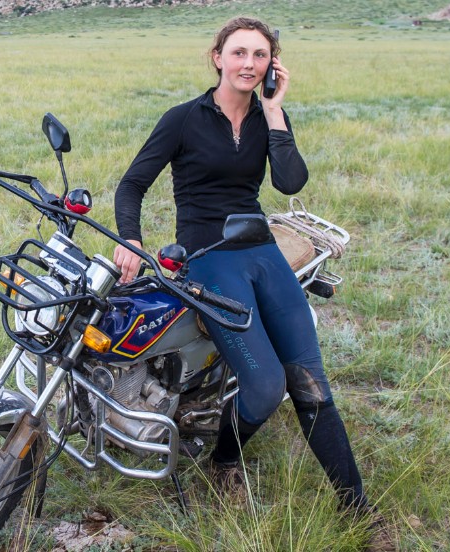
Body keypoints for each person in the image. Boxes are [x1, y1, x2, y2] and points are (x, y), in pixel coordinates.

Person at [112, 16, 385, 535]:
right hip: (206, 255)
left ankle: (358, 511)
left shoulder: (268, 118)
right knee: (262, 386)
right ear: (217, 57)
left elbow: (290, 181)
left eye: (259, 56)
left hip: (259, 249)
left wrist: (276, 109)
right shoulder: (183, 118)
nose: (248, 64)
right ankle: (223, 458)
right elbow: (131, 186)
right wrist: (131, 239)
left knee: (309, 384)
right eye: (238, 53)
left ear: (271, 66)